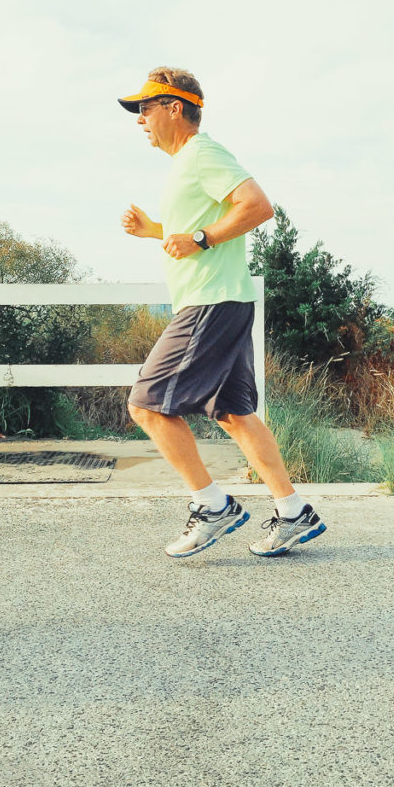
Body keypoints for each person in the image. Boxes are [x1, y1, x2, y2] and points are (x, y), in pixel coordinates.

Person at [119, 67, 327, 559]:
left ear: (175, 108)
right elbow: (195, 229)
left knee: (146, 406)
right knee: (235, 414)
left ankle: (213, 507)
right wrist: (157, 230)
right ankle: (293, 512)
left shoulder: (202, 154)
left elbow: (256, 206)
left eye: (145, 109)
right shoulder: (186, 164)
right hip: (223, 298)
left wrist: (200, 237)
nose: (140, 120)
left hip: (210, 303)